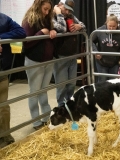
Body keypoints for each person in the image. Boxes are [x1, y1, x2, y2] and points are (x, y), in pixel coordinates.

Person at [21, 0, 57, 130]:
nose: (47, 12)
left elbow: (49, 33)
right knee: (34, 92)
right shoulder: (29, 20)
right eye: (45, 9)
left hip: (47, 60)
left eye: (49, 10)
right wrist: (42, 33)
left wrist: (53, 32)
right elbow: (26, 42)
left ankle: (46, 118)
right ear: (38, 6)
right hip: (34, 61)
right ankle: (36, 122)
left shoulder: (47, 19)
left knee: (43, 90)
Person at [52, 0, 86, 107]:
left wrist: (78, 26)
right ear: (59, 5)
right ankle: (61, 106)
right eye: (65, 8)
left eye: (69, 9)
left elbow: (84, 26)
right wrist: (59, 14)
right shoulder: (52, 17)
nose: (67, 11)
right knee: (61, 84)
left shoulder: (71, 16)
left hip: (72, 54)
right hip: (60, 55)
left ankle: (70, 104)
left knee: (72, 83)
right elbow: (61, 29)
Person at [0, 13, 26, 148]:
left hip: (2, 70)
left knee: (3, 105)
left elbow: (21, 32)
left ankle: (5, 134)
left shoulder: (3, 18)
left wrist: (0, 39)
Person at [92, 14, 120, 82]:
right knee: (102, 81)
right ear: (106, 23)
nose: (111, 28)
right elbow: (91, 41)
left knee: (113, 82)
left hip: (115, 62)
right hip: (102, 61)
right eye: (109, 26)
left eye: (114, 26)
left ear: (117, 24)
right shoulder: (100, 31)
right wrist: (95, 52)